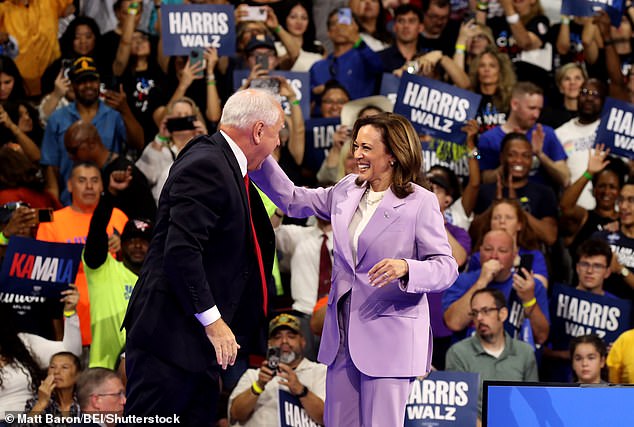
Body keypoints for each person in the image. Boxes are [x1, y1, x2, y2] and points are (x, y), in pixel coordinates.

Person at [251, 112, 458, 426]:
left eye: (366, 148)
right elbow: (293, 199)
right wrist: (256, 153)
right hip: (342, 339)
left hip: (389, 340)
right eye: (356, 146)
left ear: (392, 154)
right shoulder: (348, 188)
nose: (356, 155)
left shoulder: (420, 202)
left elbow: (446, 268)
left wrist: (406, 267)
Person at [123, 89, 283, 425]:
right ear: (257, 132)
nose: (278, 142)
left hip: (194, 347)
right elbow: (181, 252)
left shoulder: (221, 160)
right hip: (169, 341)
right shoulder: (209, 164)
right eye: (276, 132)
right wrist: (214, 322)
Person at [37, 162, 129, 349]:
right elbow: (44, 270)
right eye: (82, 181)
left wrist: (122, 249)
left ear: (102, 186)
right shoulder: (52, 221)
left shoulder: (118, 216)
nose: (89, 186)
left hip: (115, 316)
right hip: (73, 318)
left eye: (95, 181)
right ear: (70, 185)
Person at [84, 169, 152, 369]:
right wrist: (110, 195)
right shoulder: (103, 270)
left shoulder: (158, 280)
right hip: (102, 369)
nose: (137, 245)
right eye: (131, 240)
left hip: (145, 369)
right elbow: (96, 231)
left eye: (144, 241)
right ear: (121, 244)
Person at [443, 229, 550, 346]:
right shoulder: (462, 281)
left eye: (502, 251)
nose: (494, 256)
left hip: (515, 361)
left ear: (514, 255)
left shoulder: (530, 286)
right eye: (488, 249)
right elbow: (453, 323)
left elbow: (541, 337)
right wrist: (482, 282)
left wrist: (529, 300)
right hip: (469, 360)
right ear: (480, 252)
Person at [445, 288, 538, 416]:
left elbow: (532, 402)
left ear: (503, 314)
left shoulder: (524, 352)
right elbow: (456, 407)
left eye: (486, 311)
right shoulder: (458, 353)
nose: (479, 318)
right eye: (475, 313)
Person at [228, 313, 327, 426]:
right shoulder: (253, 375)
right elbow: (235, 414)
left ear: (303, 342)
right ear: (269, 344)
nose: (284, 341)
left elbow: (328, 419)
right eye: (277, 337)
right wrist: (258, 386)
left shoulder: (321, 372)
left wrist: (301, 390)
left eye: (291, 336)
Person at [0, 286, 81, 422]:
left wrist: (70, 313)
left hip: (39, 418)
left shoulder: (23, 343)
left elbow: (70, 353)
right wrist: (40, 405)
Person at [23, 352, 82, 423]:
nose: (56, 372)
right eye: (52, 367)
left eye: (64, 367)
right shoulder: (36, 402)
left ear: (78, 375)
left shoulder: (84, 401)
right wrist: (41, 404)